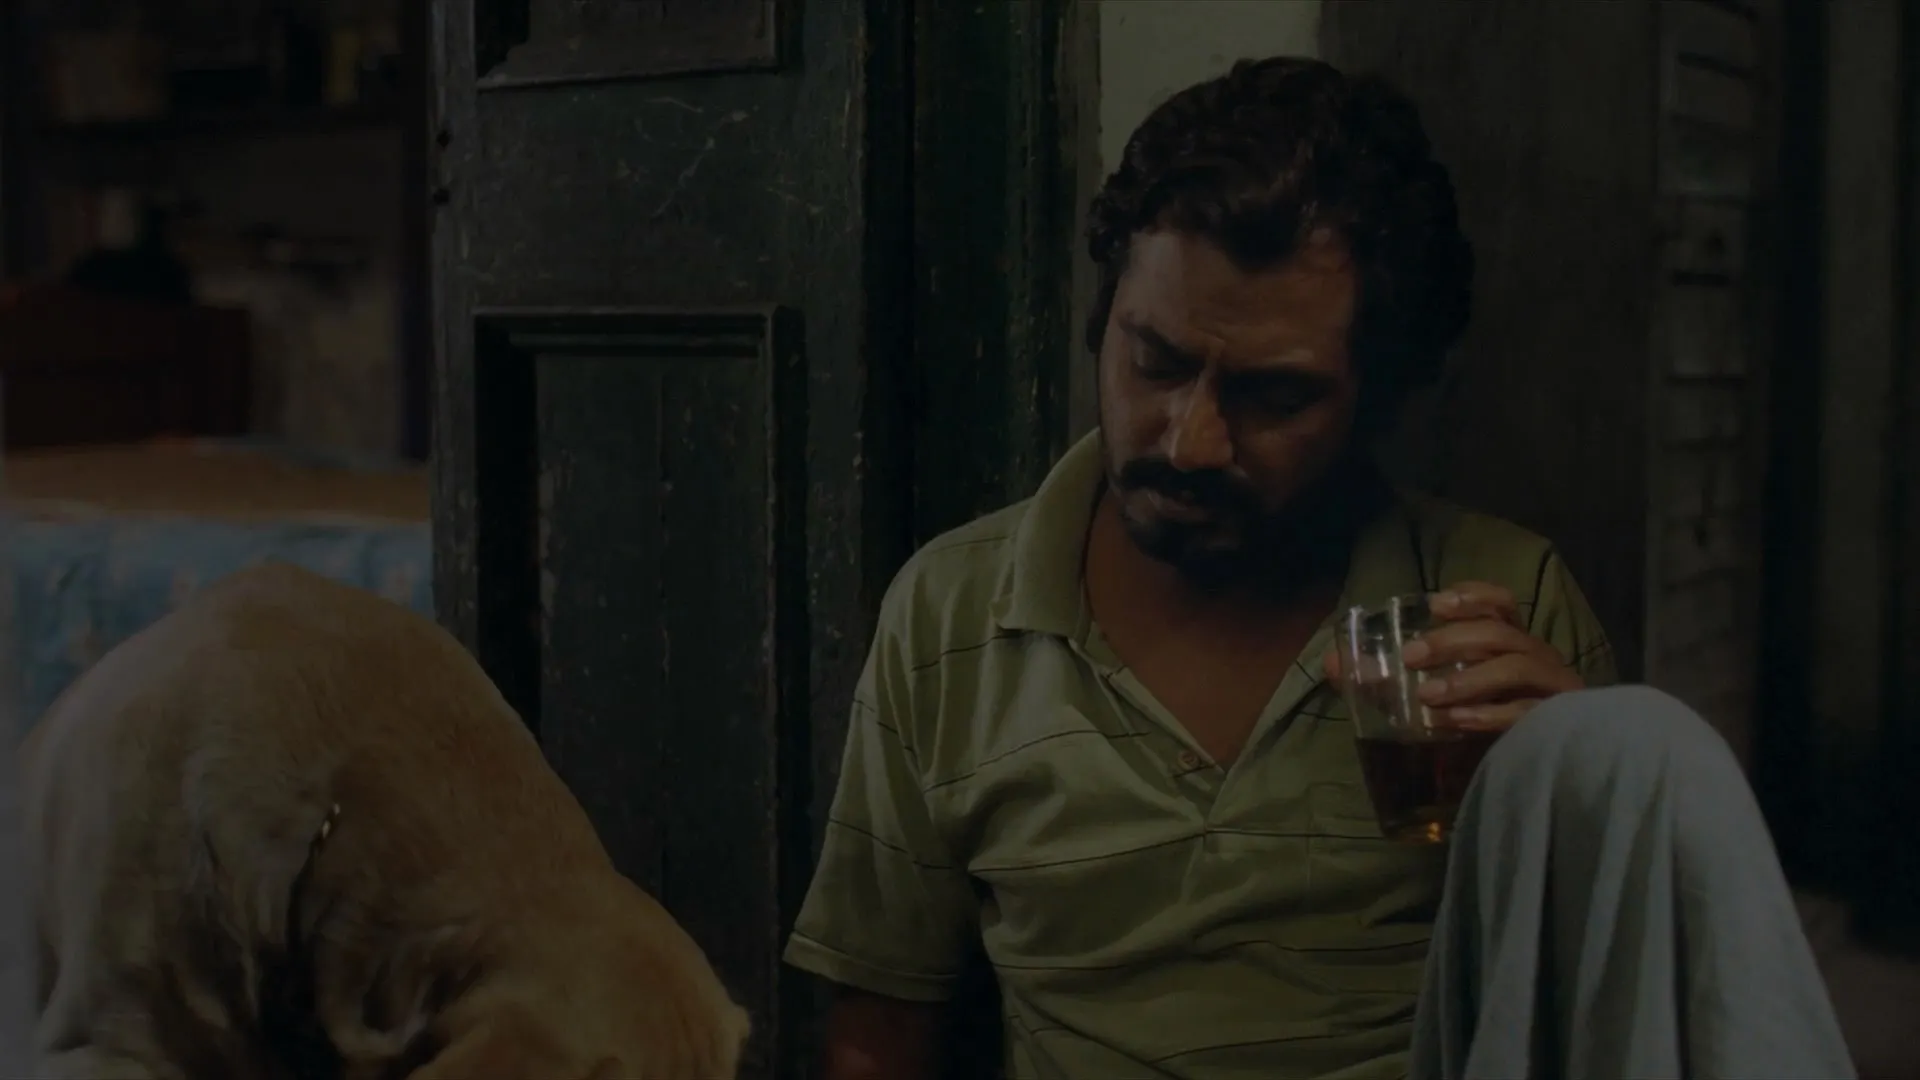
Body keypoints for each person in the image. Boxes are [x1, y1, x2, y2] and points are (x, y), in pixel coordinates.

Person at [785, 57, 1853, 1080]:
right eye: (1154, 361)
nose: (1190, 441)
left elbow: (1599, 1018)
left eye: (1274, 396)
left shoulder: (1497, 597)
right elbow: (879, 1033)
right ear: (1104, 321)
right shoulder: (953, 611)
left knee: (1639, 750)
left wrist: (1574, 796)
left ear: (1376, 399)